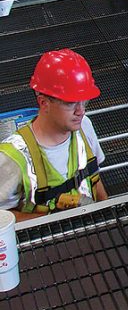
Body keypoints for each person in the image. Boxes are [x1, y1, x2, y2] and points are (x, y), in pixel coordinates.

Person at [0, 49, 108, 222]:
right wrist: (48, 220)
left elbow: (94, 176)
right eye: (70, 103)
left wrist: (108, 215)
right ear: (44, 102)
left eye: (84, 101)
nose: (81, 111)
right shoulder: (12, 158)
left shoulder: (84, 127)